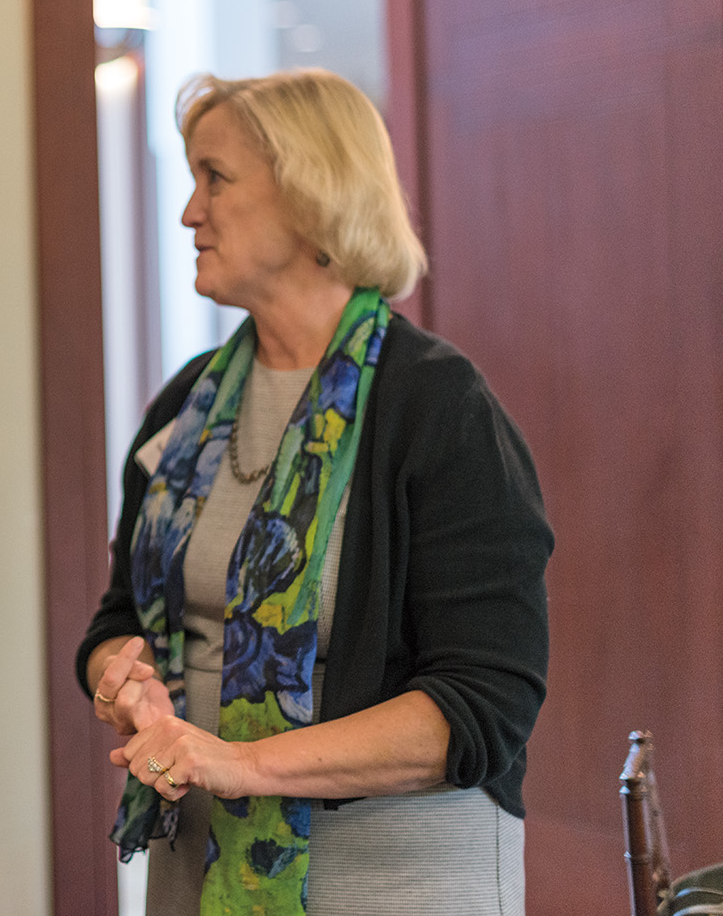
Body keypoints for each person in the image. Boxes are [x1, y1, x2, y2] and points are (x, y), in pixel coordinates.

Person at [78, 68, 552, 915]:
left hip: (394, 875)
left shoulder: (438, 407)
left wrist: (242, 763)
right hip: (197, 867)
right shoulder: (184, 407)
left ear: (310, 194)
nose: (190, 211)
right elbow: (119, 615)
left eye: (215, 179)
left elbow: (484, 705)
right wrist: (128, 679)